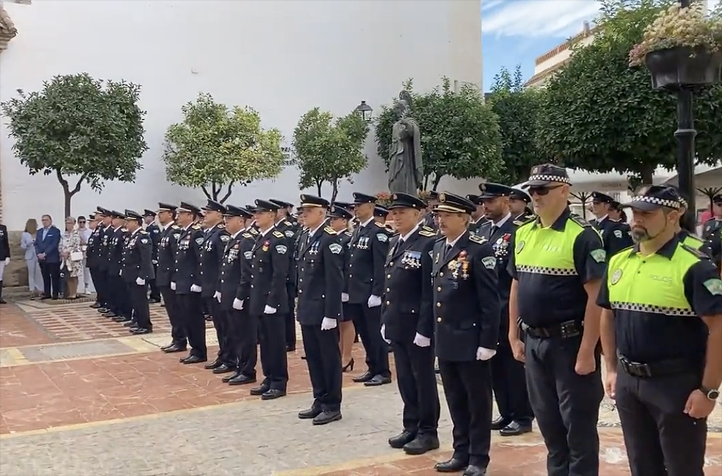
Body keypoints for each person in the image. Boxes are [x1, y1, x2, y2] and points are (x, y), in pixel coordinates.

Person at [598, 185, 722, 476]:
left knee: (683, 468)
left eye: (647, 214)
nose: (636, 220)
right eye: (634, 213)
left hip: (675, 385)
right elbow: (607, 314)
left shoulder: (694, 265)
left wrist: (709, 390)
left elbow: (718, 329)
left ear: (673, 216)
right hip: (630, 383)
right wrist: (612, 369)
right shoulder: (619, 261)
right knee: (642, 466)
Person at [508, 164, 606, 476]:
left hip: (569, 343)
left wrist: (588, 348)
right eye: (532, 191)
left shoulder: (583, 237)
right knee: (549, 425)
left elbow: (596, 297)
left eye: (542, 190)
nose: (535, 196)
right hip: (535, 342)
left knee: (577, 427)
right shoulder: (523, 233)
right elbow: (516, 284)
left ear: (564, 191)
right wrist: (514, 333)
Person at [430, 192, 500, 476]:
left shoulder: (479, 249)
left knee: (477, 402)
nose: (440, 220)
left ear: (464, 218)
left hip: (471, 341)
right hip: (446, 338)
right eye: (438, 215)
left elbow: (490, 301)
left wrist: (487, 342)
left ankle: (478, 457)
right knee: (456, 400)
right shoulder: (439, 247)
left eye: (446, 216)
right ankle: (460, 451)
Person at [381, 192, 441, 455]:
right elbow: (390, 285)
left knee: (423, 379)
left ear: (418, 214)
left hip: (417, 324)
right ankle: (411, 425)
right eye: (393, 213)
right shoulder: (395, 242)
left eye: (401, 213)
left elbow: (430, 291)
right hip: (398, 322)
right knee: (405, 378)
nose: (395, 217)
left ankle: (428, 431)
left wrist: (425, 328)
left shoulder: (428, 243)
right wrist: (385, 319)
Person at [476, 183, 534, 437]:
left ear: (506, 201)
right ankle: (507, 410)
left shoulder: (519, 231)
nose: (486, 207)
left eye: (491, 201)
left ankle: (522, 416)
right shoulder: (483, 230)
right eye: (484, 202)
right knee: (495, 366)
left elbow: (516, 277)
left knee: (513, 367)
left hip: (508, 308)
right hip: (488, 311)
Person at [295, 195, 344, 425]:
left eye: (309, 210)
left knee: (329, 359)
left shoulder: (329, 239)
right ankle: (319, 398)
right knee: (313, 358)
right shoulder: (306, 236)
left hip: (323, 310)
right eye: (303, 211)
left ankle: (332, 404)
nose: (304, 214)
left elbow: (335, 279)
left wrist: (331, 314)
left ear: (322, 213)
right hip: (308, 308)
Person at [347, 192, 393, 387]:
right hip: (357, 292)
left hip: (370, 293)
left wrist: (377, 292)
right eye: (355, 206)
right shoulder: (358, 230)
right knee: (365, 334)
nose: (356, 209)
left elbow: (380, 266)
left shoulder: (378, 232)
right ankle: (372, 367)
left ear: (371, 207)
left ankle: (382, 370)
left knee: (375, 334)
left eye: (360, 205)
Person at [248, 199, 290, 400]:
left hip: (272, 302)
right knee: (264, 342)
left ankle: (279, 381)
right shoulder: (260, 238)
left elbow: (279, 274)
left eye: (261, 213)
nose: (256, 216)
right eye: (256, 213)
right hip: (259, 300)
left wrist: (273, 302)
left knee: (275, 343)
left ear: (272, 215)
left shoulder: (278, 239)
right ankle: (268, 377)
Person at [223, 205, 259, 385]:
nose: (226, 222)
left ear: (240, 220)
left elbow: (247, 272)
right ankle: (239, 367)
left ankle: (247, 370)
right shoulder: (233, 240)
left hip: (241, 298)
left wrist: (240, 296)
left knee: (245, 336)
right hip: (230, 295)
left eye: (229, 219)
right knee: (236, 334)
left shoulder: (246, 240)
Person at [196, 200, 232, 373]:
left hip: (218, 289)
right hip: (209, 287)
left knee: (225, 326)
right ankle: (223, 354)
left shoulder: (221, 234)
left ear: (219, 215)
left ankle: (230, 358)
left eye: (209, 213)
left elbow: (223, 264)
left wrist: (219, 288)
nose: (205, 216)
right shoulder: (209, 233)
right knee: (219, 325)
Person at [173, 202, 207, 364]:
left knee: (194, 319)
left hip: (191, 284)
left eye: (181, 214)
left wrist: (197, 281)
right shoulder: (184, 233)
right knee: (186, 317)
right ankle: (194, 348)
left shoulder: (196, 233)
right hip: (182, 283)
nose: (178, 216)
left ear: (190, 215)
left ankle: (199, 350)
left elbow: (200, 260)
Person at [270, 198, 299, 353]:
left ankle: (290, 340)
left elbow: (287, 253)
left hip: (287, 274)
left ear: (281, 211)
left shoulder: (287, 228)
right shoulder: (275, 228)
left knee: (287, 309)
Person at [156, 203, 186, 353]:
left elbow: (176, 258)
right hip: (163, 277)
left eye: (162, 212)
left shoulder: (174, 232)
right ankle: (176, 338)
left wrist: (174, 278)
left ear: (170, 214)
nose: (159, 215)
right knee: (171, 311)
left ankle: (180, 340)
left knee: (176, 311)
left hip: (170, 278)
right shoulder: (165, 232)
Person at [328, 205, 355, 371]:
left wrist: (345, 289)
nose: (331, 222)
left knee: (346, 322)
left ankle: (347, 356)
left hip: (345, 287)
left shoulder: (346, 239)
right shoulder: (334, 238)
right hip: (334, 287)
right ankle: (340, 354)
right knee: (338, 323)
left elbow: (347, 267)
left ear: (344, 221)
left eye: (334, 219)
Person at [121, 210, 154, 334]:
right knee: (135, 300)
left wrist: (142, 275)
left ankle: (145, 325)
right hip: (131, 274)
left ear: (136, 222)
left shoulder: (142, 236)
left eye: (129, 221)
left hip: (138, 274)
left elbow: (145, 258)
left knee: (141, 301)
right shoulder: (132, 236)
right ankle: (138, 322)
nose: (127, 224)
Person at [105, 211, 132, 323]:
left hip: (119, 266)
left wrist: (121, 267)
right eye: (113, 218)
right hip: (112, 266)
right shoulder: (114, 233)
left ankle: (124, 312)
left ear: (121, 220)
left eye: (116, 219)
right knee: (115, 290)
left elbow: (122, 252)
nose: (113, 220)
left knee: (122, 292)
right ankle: (116, 309)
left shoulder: (123, 233)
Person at [590, 191, 633, 257]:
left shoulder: (614, 227)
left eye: (597, 203)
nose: (594, 206)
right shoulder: (590, 225)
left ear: (606, 206)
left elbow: (616, 251)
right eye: (593, 203)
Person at [35, 214, 62, 300]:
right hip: (42, 259)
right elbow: (36, 243)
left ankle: (55, 294)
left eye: (46, 220)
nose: (44, 222)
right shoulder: (39, 231)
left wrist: (45, 253)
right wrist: (38, 253)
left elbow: (54, 244)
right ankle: (47, 293)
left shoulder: (55, 231)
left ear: (50, 221)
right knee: (45, 276)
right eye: (43, 220)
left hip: (52, 258)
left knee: (54, 276)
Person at [59, 216, 83, 299]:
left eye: (70, 223)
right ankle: (70, 292)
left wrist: (68, 252)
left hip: (73, 258)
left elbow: (76, 245)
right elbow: (60, 244)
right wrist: (62, 252)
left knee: (74, 275)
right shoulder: (64, 234)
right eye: (67, 223)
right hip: (65, 259)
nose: (68, 225)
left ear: (73, 224)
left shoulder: (76, 233)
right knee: (68, 275)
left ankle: (74, 292)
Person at [20, 219, 43, 298]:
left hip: (38, 255)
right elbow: (22, 246)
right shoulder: (25, 234)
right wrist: (28, 244)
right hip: (29, 255)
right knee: (31, 274)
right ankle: (32, 290)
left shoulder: (38, 233)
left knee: (38, 273)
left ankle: (40, 289)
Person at [143, 210, 162, 303]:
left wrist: (154, 257)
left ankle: (156, 295)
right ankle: (153, 294)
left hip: (153, 257)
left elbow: (155, 243)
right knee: (151, 277)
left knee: (154, 278)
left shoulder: (154, 228)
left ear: (151, 217)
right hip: (150, 257)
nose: (144, 219)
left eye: (146, 217)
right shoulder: (148, 228)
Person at [0, 220, 9, 304]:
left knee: (0, 277)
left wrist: (8, 255)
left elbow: (6, 242)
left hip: (1, 256)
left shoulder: (3, 228)